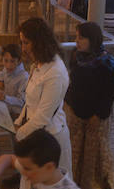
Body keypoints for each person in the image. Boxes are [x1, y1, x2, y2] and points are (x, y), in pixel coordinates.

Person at [64, 22, 114, 189]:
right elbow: (73, 83)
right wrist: (69, 104)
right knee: (76, 151)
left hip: (96, 118)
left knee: (98, 154)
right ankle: (79, 187)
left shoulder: (106, 63)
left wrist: (98, 115)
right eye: (76, 37)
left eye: (81, 37)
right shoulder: (77, 57)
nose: (77, 41)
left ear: (93, 40)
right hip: (76, 114)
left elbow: (108, 94)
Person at [16, 17, 73, 174]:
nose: (23, 48)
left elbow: (43, 118)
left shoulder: (55, 72)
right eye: (22, 42)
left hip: (52, 139)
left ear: (39, 41)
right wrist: (19, 121)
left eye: (26, 42)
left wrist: (19, 133)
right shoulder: (39, 64)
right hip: (36, 135)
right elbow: (30, 102)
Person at [0, 43, 29, 120]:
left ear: (19, 61)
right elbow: (2, 74)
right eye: (5, 60)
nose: (8, 65)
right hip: (7, 108)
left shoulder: (24, 77)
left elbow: (22, 101)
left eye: (12, 61)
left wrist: (5, 98)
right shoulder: (6, 69)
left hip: (17, 114)